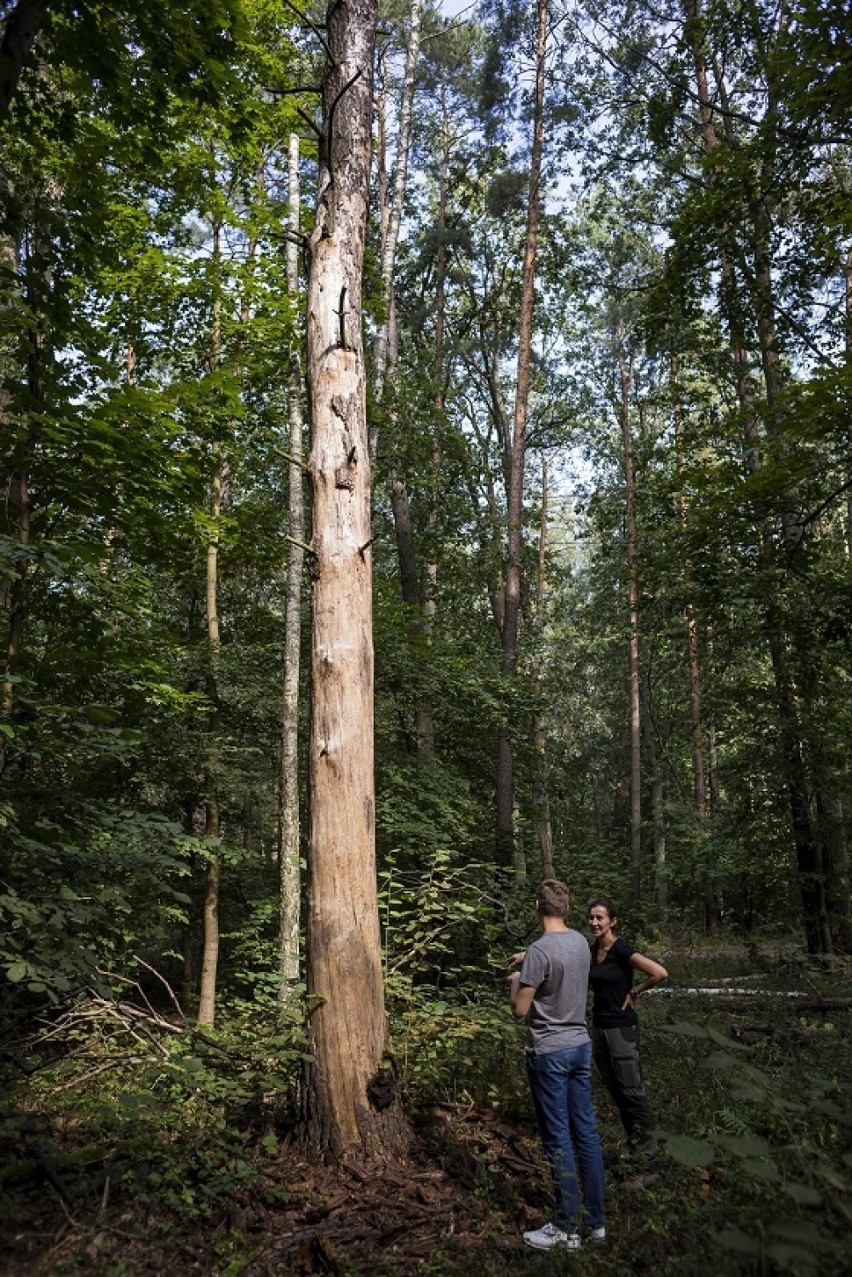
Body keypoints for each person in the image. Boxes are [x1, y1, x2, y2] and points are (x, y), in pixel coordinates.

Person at [508, 879, 606, 1252]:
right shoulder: (581, 941)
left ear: (537, 906)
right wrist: (527, 961)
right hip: (580, 1046)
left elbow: (519, 1011)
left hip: (549, 1052)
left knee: (558, 1138)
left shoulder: (539, 950)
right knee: (587, 1133)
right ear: (566, 908)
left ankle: (565, 1228)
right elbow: (560, 963)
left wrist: (517, 980)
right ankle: (595, 1223)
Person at [587, 897, 668, 1164]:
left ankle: (648, 1150)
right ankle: (634, 1143)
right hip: (599, 1026)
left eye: (600, 917)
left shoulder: (621, 949)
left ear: (613, 921)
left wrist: (635, 990)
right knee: (615, 1088)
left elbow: (659, 973)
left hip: (621, 1027)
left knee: (632, 1089)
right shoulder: (592, 950)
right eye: (591, 917)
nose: (595, 922)